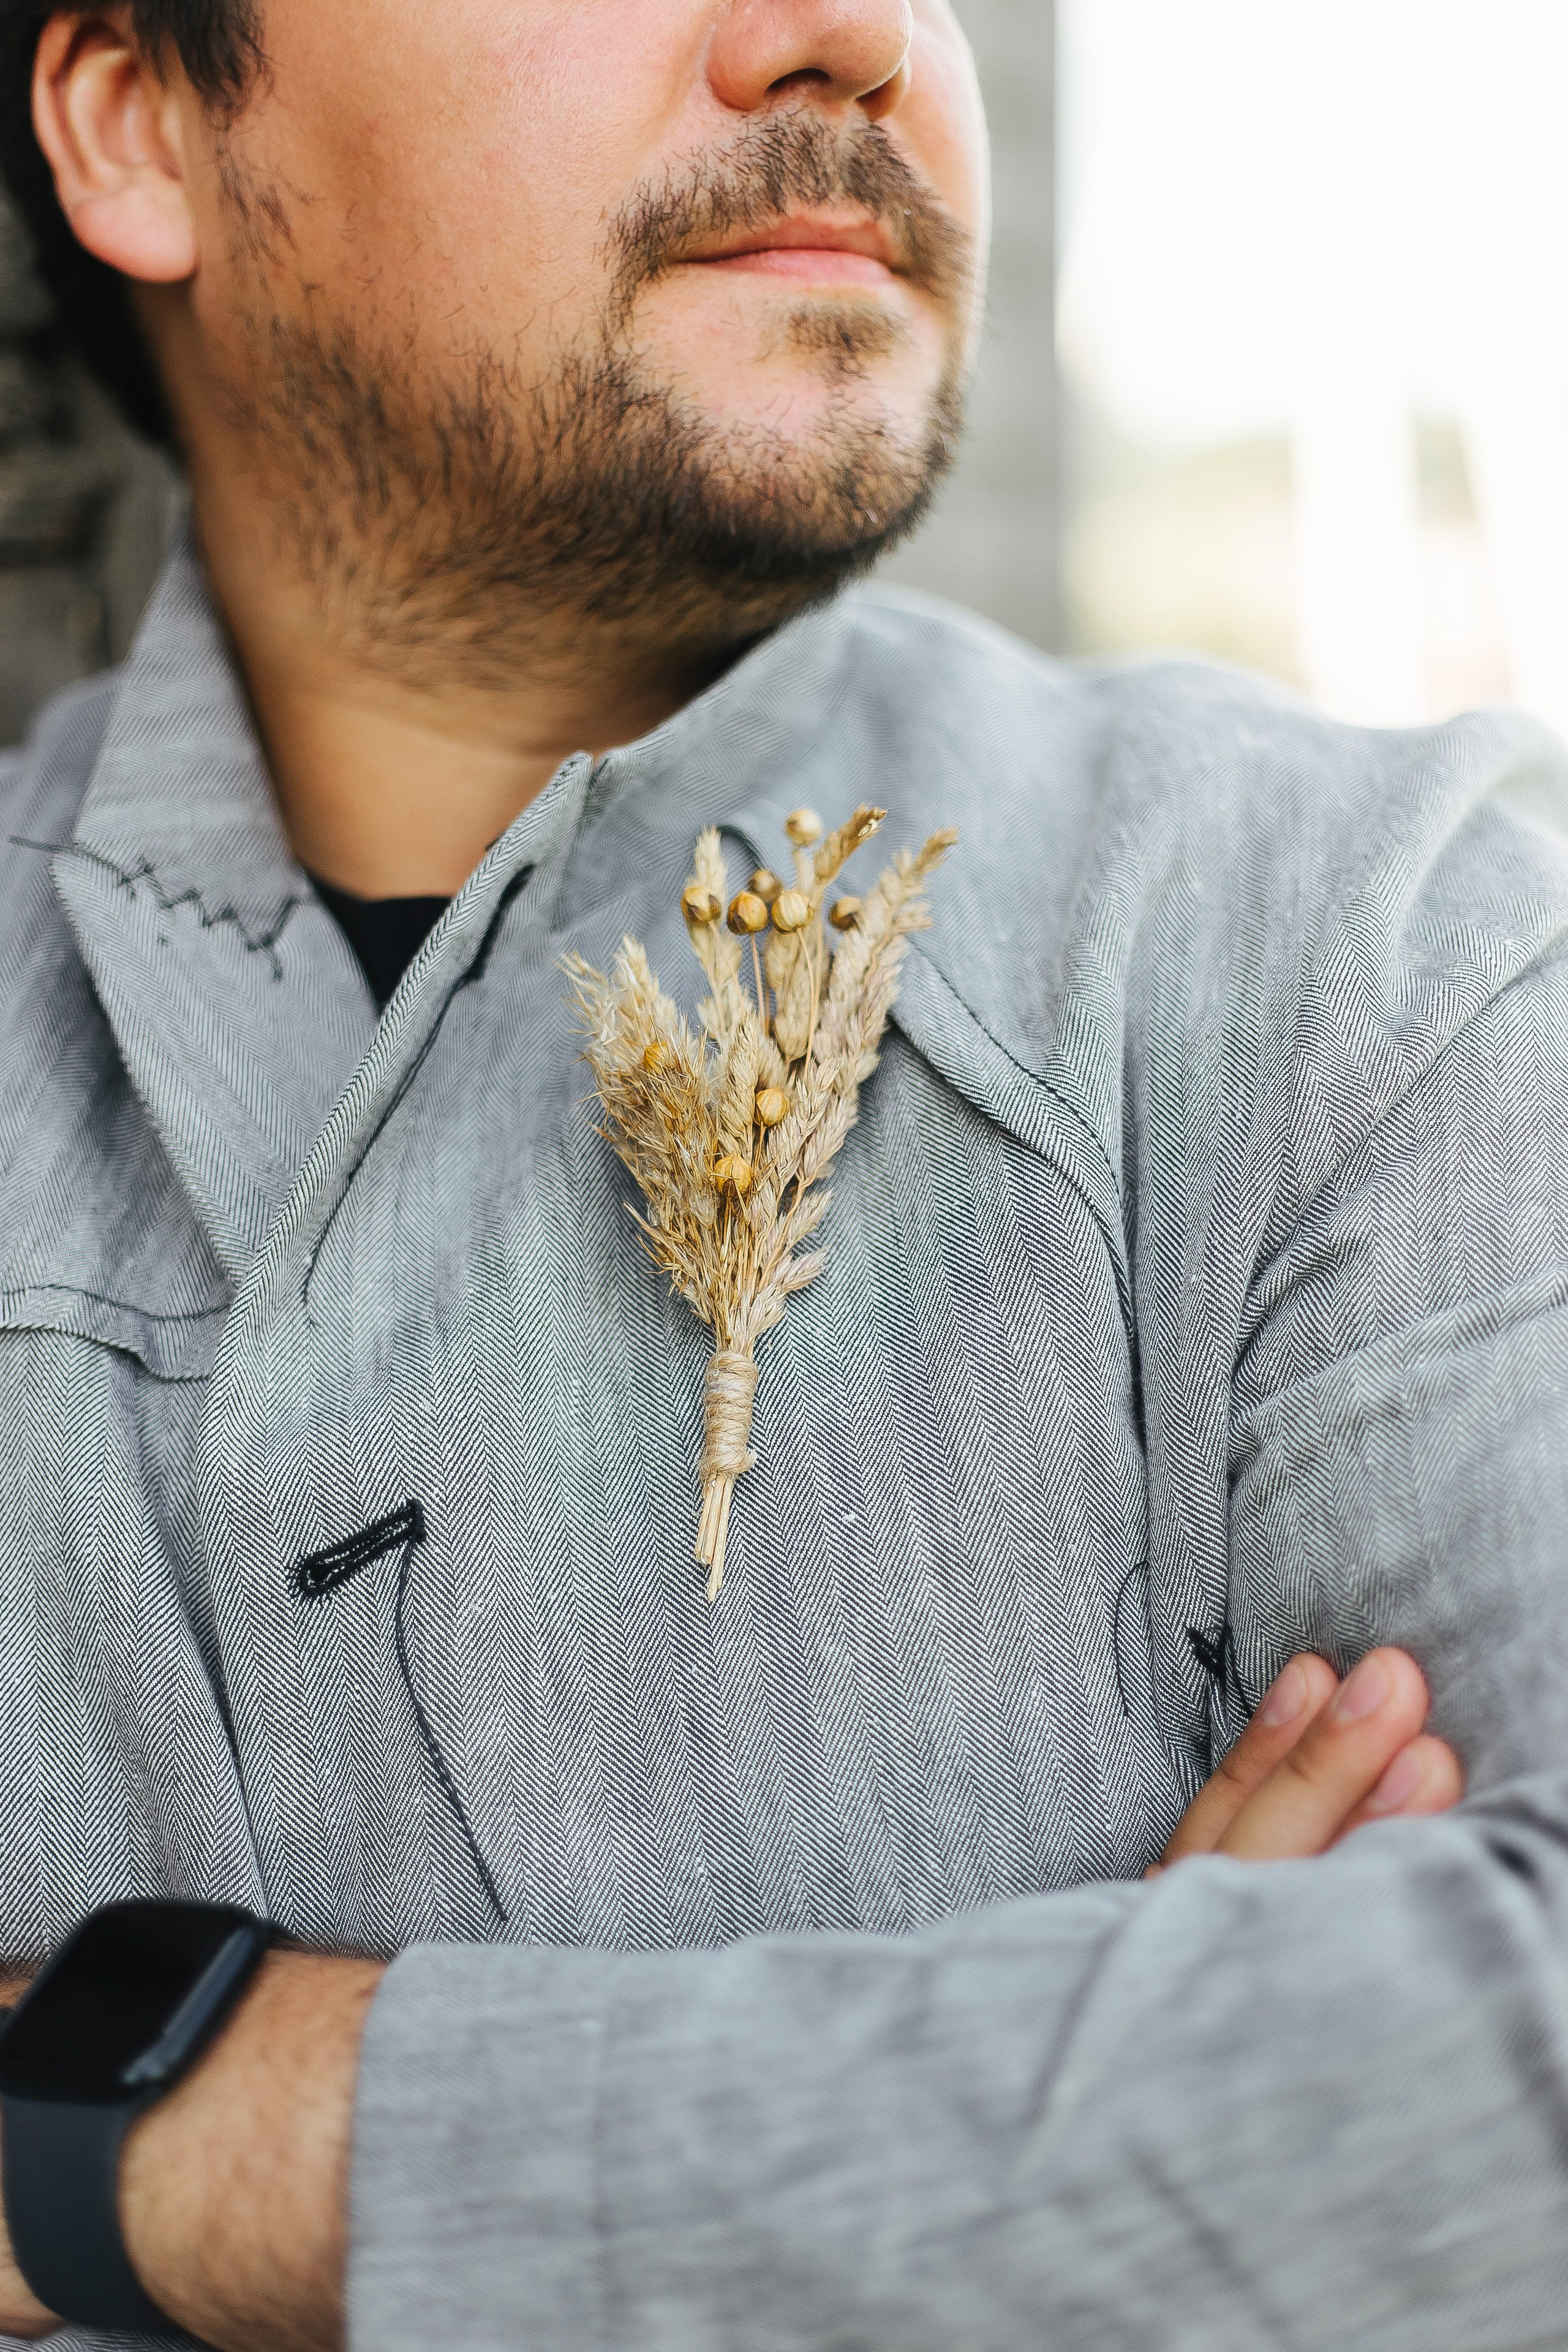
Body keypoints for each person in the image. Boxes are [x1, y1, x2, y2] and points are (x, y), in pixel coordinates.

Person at [0, 2, 1562, 2346]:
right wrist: (1094, 2123)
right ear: (145, 125)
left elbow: (1505, 2107)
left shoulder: (1377, 940)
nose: (846, 30)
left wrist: (172, 2124)